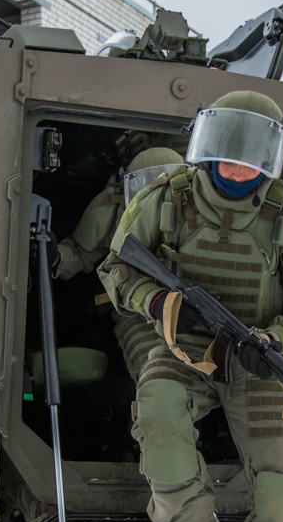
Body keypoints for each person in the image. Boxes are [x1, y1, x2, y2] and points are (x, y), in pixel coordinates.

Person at [97, 91, 283, 522]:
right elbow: (115, 266)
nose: (236, 164)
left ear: (272, 159)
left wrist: (276, 338)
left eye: (251, 156)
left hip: (262, 359)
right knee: (157, 414)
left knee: (282, 476)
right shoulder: (166, 197)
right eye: (226, 151)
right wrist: (157, 304)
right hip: (185, 345)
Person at [52, 146, 184, 382]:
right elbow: (81, 251)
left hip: (189, 311)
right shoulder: (119, 211)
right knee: (154, 377)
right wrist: (55, 257)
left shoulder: (199, 213)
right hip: (137, 310)